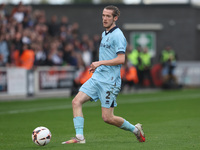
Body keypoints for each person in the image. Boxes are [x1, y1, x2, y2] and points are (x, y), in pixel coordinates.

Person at [62, 5, 145, 144]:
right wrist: (98, 67)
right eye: (103, 15)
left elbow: (121, 59)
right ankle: (80, 137)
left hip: (110, 82)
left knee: (107, 118)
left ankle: (135, 130)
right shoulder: (104, 33)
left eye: (108, 16)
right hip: (97, 78)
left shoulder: (118, 35)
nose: (104, 18)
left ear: (115, 18)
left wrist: (100, 63)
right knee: (76, 101)